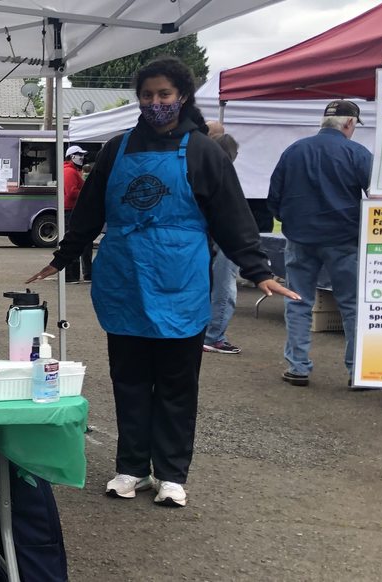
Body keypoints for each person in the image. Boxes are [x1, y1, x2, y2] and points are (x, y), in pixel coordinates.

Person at [26, 57, 297, 508]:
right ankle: (131, 468)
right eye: (148, 95)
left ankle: (171, 474)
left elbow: (231, 215)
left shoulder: (203, 151)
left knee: (176, 383)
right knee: (129, 379)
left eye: (164, 95)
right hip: (125, 278)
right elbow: (91, 209)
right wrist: (63, 257)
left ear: (182, 97)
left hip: (180, 279)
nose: (155, 103)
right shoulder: (116, 149)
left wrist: (258, 270)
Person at [268, 100, 371, 389]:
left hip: (300, 238)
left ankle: (298, 367)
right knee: (351, 305)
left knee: (298, 301)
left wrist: (288, 220)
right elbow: (377, 197)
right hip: (344, 239)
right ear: (349, 124)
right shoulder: (357, 153)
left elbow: (274, 195)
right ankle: (357, 371)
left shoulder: (294, 151)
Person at [203, 128, 245, 355]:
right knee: (224, 288)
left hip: (203, 240)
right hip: (225, 239)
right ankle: (214, 336)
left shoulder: (198, 169)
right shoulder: (223, 174)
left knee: (207, 287)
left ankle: (207, 334)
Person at [61, 145, 92, 283]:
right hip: (71, 210)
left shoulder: (72, 171)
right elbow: (71, 192)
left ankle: (81, 274)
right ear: (72, 156)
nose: (82, 157)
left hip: (72, 210)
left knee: (80, 242)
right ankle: (72, 275)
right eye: (79, 155)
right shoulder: (70, 172)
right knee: (76, 241)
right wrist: (88, 194)